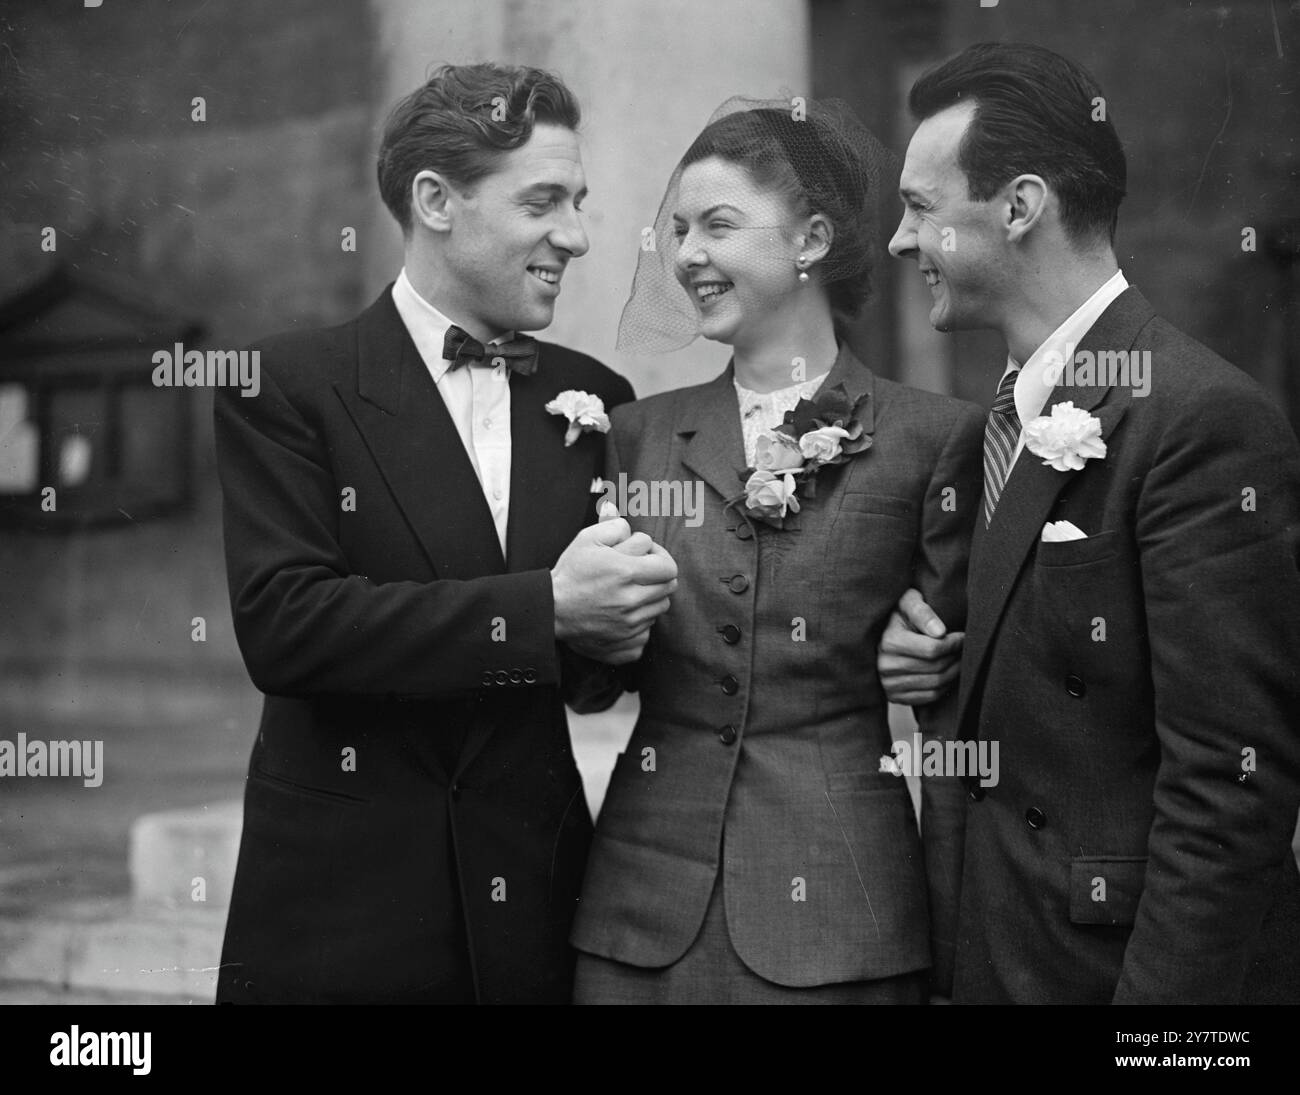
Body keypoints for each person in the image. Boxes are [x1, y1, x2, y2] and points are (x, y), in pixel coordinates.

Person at [213, 63, 677, 1004]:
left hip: (536, 904)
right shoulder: (290, 386)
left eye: (580, 202)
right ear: (436, 200)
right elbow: (288, 626)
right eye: (543, 201)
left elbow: (592, 683)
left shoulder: (594, 401)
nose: (577, 237)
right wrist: (548, 607)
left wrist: (620, 629)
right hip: (343, 908)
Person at [878, 42, 1300, 1004]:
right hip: (995, 954)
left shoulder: (1199, 419)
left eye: (920, 208)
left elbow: (1229, 788)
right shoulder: (989, 425)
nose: (901, 242)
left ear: (1019, 208)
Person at [569, 97, 984, 1003]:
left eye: (718, 225)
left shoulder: (932, 439)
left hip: (843, 913)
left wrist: (931, 659)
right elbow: (589, 680)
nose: (686, 256)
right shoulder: (635, 436)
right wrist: (589, 628)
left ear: (811, 241)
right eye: (677, 230)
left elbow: (972, 682)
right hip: (640, 919)